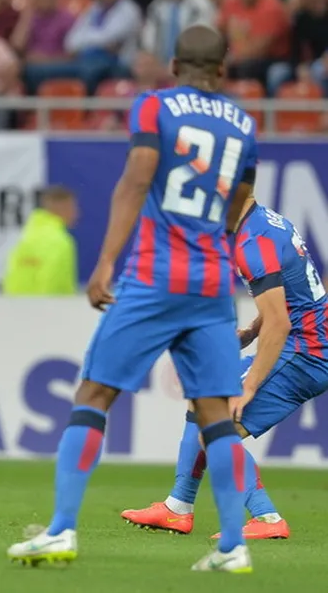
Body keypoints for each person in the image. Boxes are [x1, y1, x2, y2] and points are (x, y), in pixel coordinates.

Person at [7, 25, 260, 573]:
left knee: (94, 394)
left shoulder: (155, 106)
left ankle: (61, 530)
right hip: (213, 283)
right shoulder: (244, 123)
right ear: (222, 69)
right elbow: (241, 198)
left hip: (156, 276)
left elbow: (137, 179)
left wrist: (105, 261)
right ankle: (232, 546)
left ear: (175, 66)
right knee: (215, 415)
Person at [121, 198, 328, 540]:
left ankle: (267, 517)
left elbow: (280, 323)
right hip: (306, 345)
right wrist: (251, 331)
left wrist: (250, 386)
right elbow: (291, 297)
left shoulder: (253, 243)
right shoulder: (267, 223)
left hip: (305, 353)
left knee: (215, 428)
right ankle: (178, 507)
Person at [2, 186, 78, 296]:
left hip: (16, 304)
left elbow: (11, 278)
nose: (76, 213)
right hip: (50, 305)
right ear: (62, 207)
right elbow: (54, 281)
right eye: (73, 208)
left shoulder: (26, 237)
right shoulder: (60, 241)